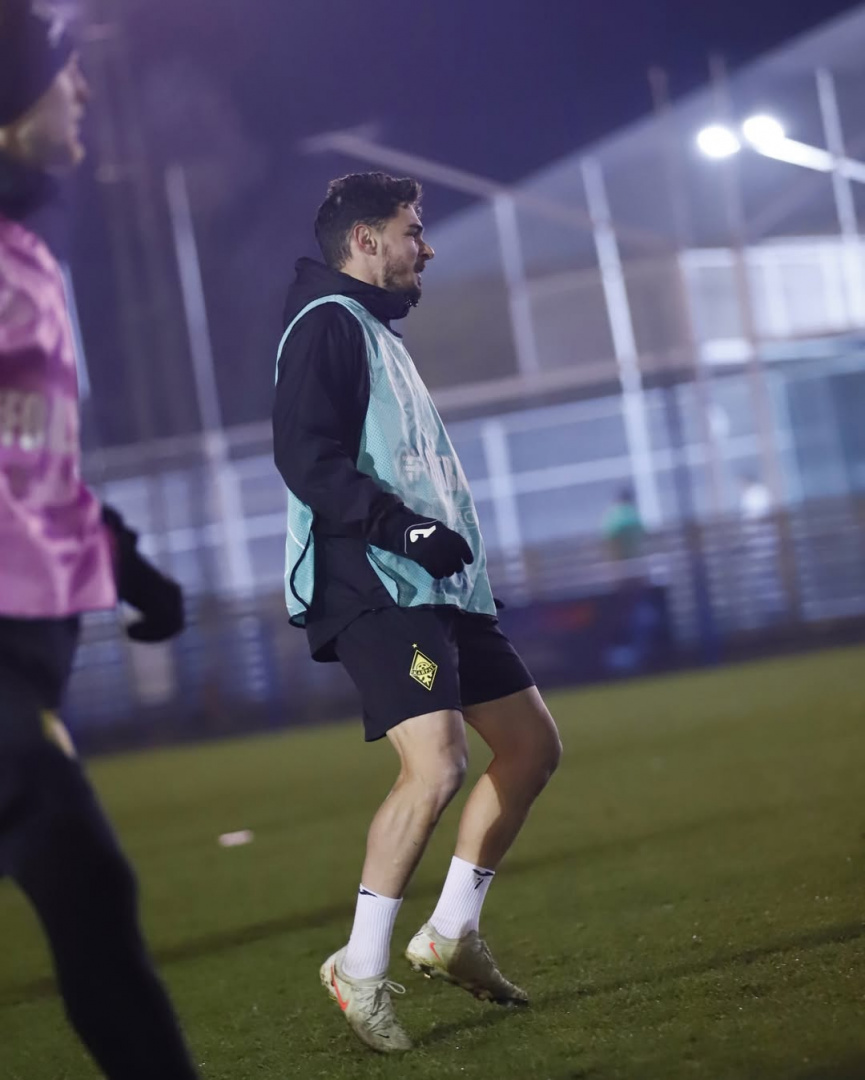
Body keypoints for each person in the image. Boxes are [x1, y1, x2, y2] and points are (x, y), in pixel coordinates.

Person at [273, 172, 562, 1054]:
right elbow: (305, 457)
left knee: (530, 747)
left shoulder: (370, 329)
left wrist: (433, 540)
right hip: (377, 583)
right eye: (412, 231)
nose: (426, 247)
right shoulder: (325, 323)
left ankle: (450, 932)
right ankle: (357, 969)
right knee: (435, 767)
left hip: (436, 584)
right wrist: (402, 527)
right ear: (365, 240)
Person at [0, 3, 199, 1076]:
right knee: (81, 872)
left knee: (85, 886)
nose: (82, 89)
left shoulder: (25, 254)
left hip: (29, 653)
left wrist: (125, 563)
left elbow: (32, 468)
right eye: (61, 70)